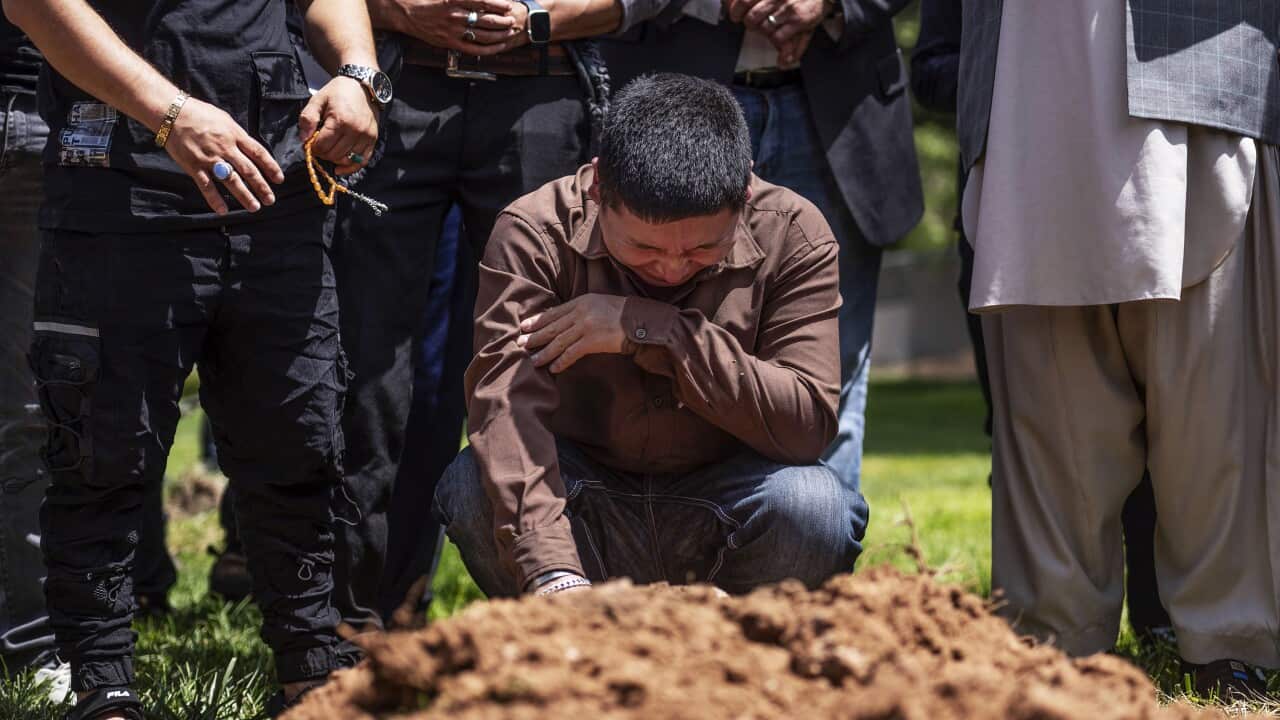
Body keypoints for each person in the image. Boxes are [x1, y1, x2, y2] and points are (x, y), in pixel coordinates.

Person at [3, 0, 385, 717]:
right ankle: (104, 689)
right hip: (121, 186)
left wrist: (358, 74)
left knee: (302, 445)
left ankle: (312, 674)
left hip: (279, 181)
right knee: (101, 457)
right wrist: (171, 115)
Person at [436, 74, 867, 597]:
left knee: (816, 505)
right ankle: (566, 634)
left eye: (702, 249)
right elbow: (506, 409)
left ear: (746, 193)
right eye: (644, 248)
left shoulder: (794, 233)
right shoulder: (535, 231)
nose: (671, 268)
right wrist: (552, 574)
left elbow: (805, 424)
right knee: (473, 485)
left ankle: (740, 642)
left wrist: (653, 330)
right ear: (599, 189)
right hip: (581, 498)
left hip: (729, 500)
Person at [958, 0, 1279, 697]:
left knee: (1214, 415)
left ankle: (1231, 639)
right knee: (1051, 420)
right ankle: (1054, 639)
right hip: (1023, 94)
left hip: (1203, 79)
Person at [329, 0, 616, 631]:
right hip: (395, 86)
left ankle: (565, 613)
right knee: (365, 374)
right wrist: (399, 10)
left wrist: (537, 16)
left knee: (550, 360)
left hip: (544, 89)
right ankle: (352, 625)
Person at [910, 0, 1171, 645]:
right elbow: (932, 71)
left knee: (1164, 431)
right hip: (1014, 218)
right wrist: (1034, 79)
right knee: (1027, 432)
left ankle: (1159, 617)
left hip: (1142, 202)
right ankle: (1053, 622)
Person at [598, 0, 922, 520]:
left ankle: (816, 554)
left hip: (836, 109)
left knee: (832, 375)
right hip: (674, 101)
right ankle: (649, 553)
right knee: (639, 351)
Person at [0, 17, 175, 703]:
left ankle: (33, 640)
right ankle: (35, 640)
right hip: (58, 111)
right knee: (33, 409)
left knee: (36, 406)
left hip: (55, 111)